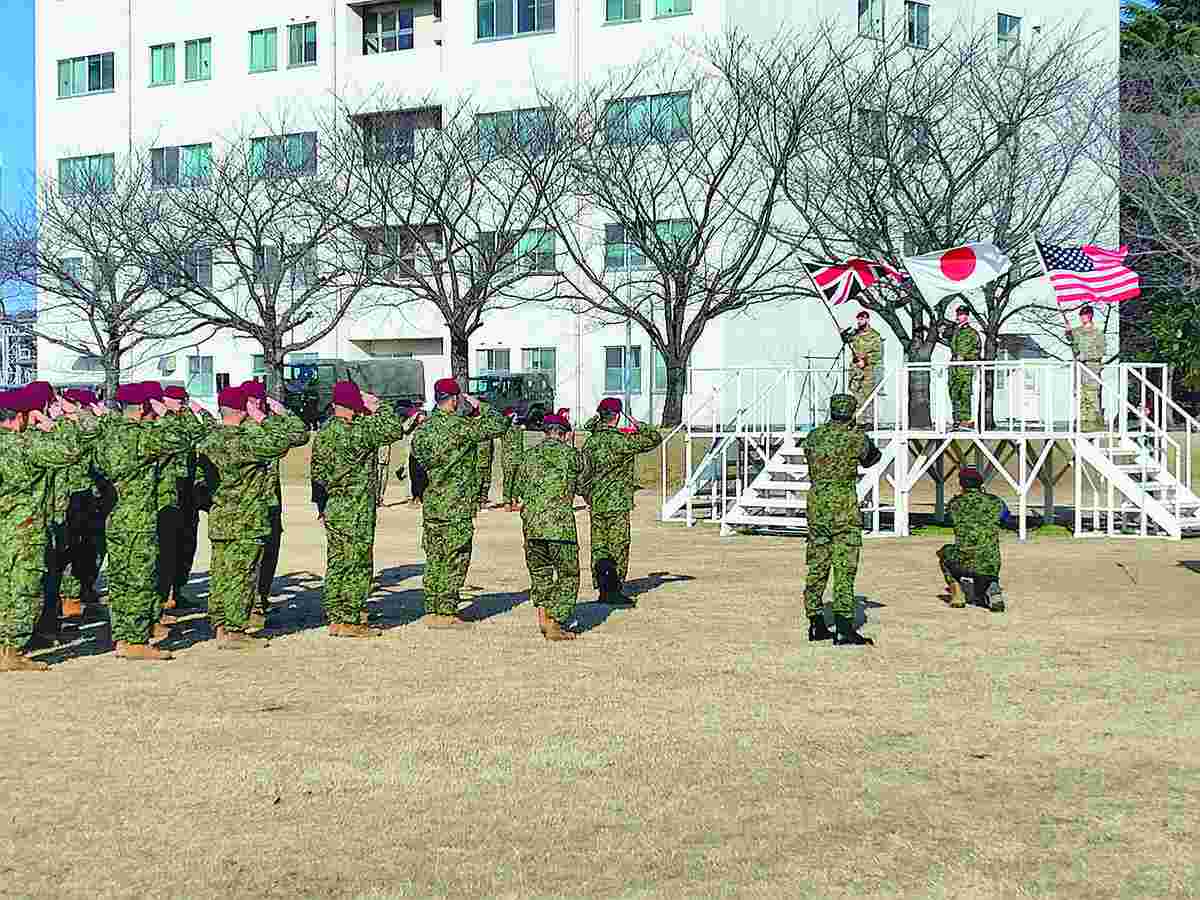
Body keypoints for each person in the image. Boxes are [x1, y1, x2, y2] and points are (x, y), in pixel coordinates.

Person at [196, 388, 308, 649]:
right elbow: (288, 438)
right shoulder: (247, 442)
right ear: (243, 409)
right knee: (243, 575)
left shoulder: (208, 441)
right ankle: (235, 631)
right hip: (246, 519)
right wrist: (263, 416)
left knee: (221, 573)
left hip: (220, 517)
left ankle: (220, 625)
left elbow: (200, 483)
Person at [311, 382, 422, 637]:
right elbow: (393, 429)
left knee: (337, 562)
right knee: (358, 564)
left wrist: (322, 503)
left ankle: (336, 616)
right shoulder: (359, 430)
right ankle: (350, 619)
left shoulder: (325, 432)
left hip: (334, 506)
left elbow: (317, 473)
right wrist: (378, 406)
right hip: (356, 509)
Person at [91, 383, 190, 660]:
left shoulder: (107, 436)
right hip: (139, 518)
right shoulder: (143, 436)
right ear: (146, 406)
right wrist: (167, 413)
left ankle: (123, 637)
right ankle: (135, 641)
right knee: (139, 580)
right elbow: (182, 438)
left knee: (120, 580)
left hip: (115, 516)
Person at [0, 386, 87, 671]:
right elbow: (72, 450)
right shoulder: (26, 446)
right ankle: (11, 651)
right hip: (24, 532)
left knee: (4, 589)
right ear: (23, 416)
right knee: (24, 590)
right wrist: (56, 423)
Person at [411, 378, 509, 627]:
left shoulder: (423, 429)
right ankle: (446, 612)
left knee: (435, 556)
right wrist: (480, 406)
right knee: (455, 557)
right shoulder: (461, 426)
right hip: (456, 503)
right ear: (455, 399)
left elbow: (417, 463)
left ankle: (432, 608)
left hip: (433, 503)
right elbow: (499, 425)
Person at [802, 393, 882, 646]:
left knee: (817, 564)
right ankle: (844, 627)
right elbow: (872, 459)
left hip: (817, 504)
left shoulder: (814, 436)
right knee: (844, 567)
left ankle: (815, 621)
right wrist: (859, 434)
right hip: (843, 506)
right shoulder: (856, 437)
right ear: (852, 412)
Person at [515, 413, 594, 642]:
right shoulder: (573, 456)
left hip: (532, 526)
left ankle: (543, 618)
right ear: (566, 434)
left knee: (540, 573)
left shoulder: (528, 456)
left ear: (545, 432)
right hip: (560, 528)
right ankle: (555, 621)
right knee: (568, 574)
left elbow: (519, 488)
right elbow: (584, 486)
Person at [580, 398, 664, 607]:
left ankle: (602, 588)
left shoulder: (591, 442)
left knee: (600, 547)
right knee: (618, 546)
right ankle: (614, 590)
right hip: (617, 503)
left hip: (597, 502)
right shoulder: (622, 441)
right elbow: (654, 438)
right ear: (617, 417)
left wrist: (587, 495)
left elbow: (582, 475)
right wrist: (636, 422)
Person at [158, 385, 211, 610]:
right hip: (167, 493)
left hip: (187, 491)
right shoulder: (160, 422)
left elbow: (204, 434)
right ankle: (163, 595)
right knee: (167, 546)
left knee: (187, 544)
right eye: (178, 401)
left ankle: (177, 589)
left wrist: (193, 412)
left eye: (184, 401)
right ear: (164, 400)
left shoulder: (184, 419)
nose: (182, 405)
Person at [240, 380, 284, 630]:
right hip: (251, 504)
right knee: (251, 558)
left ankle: (262, 598)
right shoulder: (243, 429)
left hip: (271, 503)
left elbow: (294, 436)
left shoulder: (267, 426)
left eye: (260, 399)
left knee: (270, 554)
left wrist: (277, 414)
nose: (258, 403)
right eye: (252, 399)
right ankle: (252, 606)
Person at [938, 466, 1010, 611]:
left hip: (963, 560)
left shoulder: (955, 503)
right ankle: (992, 588)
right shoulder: (996, 502)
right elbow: (1006, 519)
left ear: (961, 484)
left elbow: (946, 520)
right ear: (981, 483)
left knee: (944, 553)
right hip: (990, 563)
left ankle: (958, 593)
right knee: (985, 566)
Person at [1067, 305, 1107, 432]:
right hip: (1079, 368)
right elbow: (1073, 345)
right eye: (1081, 315)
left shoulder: (1098, 332)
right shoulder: (1077, 331)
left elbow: (1101, 351)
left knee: (1092, 395)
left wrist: (1086, 356)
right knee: (1080, 395)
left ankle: (1093, 423)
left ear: (1090, 315)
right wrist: (1068, 333)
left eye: (1085, 315)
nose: (1082, 317)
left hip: (1092, 368)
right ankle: (1082, 423)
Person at [947, 305, 981, 430]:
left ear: (967, 316)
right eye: (958, 314)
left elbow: (977, 351)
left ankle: (965, 421)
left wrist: (965, 357)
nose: (960, 317)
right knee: (953, 394)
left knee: (965, 394)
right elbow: (947, 339)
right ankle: (956, 421)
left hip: (965, 368)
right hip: (954, 368)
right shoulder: (955, 331)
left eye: (962, 314)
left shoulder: (972, 333)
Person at [842, 309, 883, 412]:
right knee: (855, 395)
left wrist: (865, 361)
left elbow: (877, 355)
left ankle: (867, 419)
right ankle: (857, 418)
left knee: (866, 397)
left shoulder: (874, 336)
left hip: (867, 371)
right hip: (855, 370)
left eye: (862, 319)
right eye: (858, 319)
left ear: (867, 320)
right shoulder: (855, 333)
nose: (859, 321)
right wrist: (842, 333)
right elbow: (847, 340)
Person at [500, 407, 524, 512]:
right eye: (513, 415)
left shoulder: (519, 428)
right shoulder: (504, 428)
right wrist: (508, 419)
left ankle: (514, 500)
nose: (515, 417)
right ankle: (507, 502)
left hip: (518, 458)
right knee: (508, 480)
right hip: (508, 459)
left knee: (517, 481)